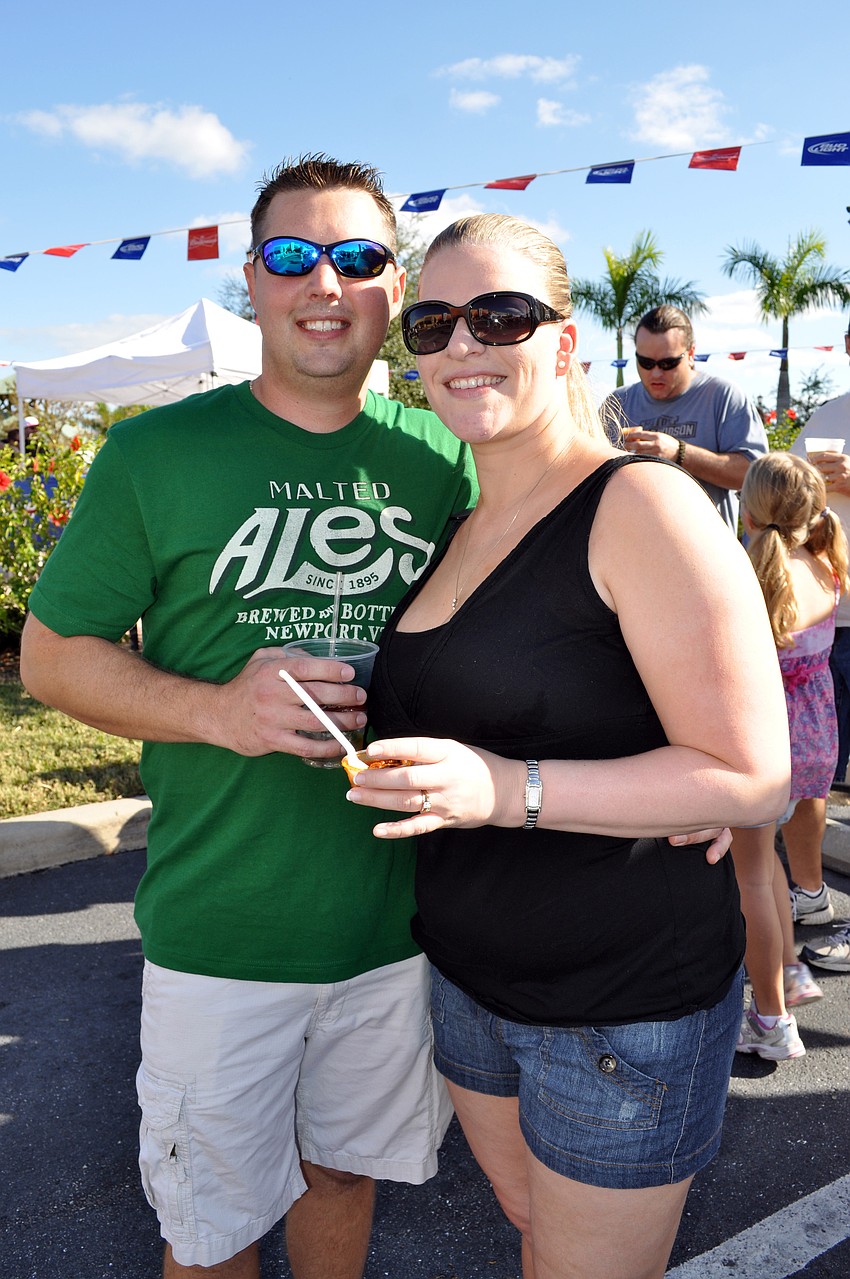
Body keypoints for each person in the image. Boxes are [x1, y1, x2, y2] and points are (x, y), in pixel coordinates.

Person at [19, 155, 480, 1279]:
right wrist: (221, 711)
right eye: (291, 255)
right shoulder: (155, 454)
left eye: (358, 258)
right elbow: (51, 656)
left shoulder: (448, 462)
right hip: (223, 936)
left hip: (396, 932)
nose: (324, 281)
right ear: (252, 280)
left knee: (344, 1181)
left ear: (393, 287)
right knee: (213, 1232)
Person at [344, 214, 790, 1279]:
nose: (461, 345)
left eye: (497, 314)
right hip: (467, 982)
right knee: (534, 1235)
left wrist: (508, 787)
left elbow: (750, 775)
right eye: (432, 323)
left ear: (561, 339)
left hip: (619, 1006)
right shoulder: (463, 519)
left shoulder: (640, 504)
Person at [731, 453, 848, 1060]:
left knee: (750, 876)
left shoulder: (749, 576)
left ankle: (772, 1022)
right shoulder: (825, 564)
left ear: (749, 508)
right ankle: (791, 974)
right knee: (767, 866)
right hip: (811, 738)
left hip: (762, 740)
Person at [784, 315, 850, 944]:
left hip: (817, 619)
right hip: (824, 626)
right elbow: (789, 506)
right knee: (818, 778)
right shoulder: (825, 417)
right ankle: (809, 898)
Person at [607, 304, 768, 531]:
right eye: (645, 363)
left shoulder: (723, 397)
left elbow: (756, 476)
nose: (655, 373)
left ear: (691, 354)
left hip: (706, 552)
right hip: (631, 551)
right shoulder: (618, 403)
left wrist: (679, 453)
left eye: (667, 363)